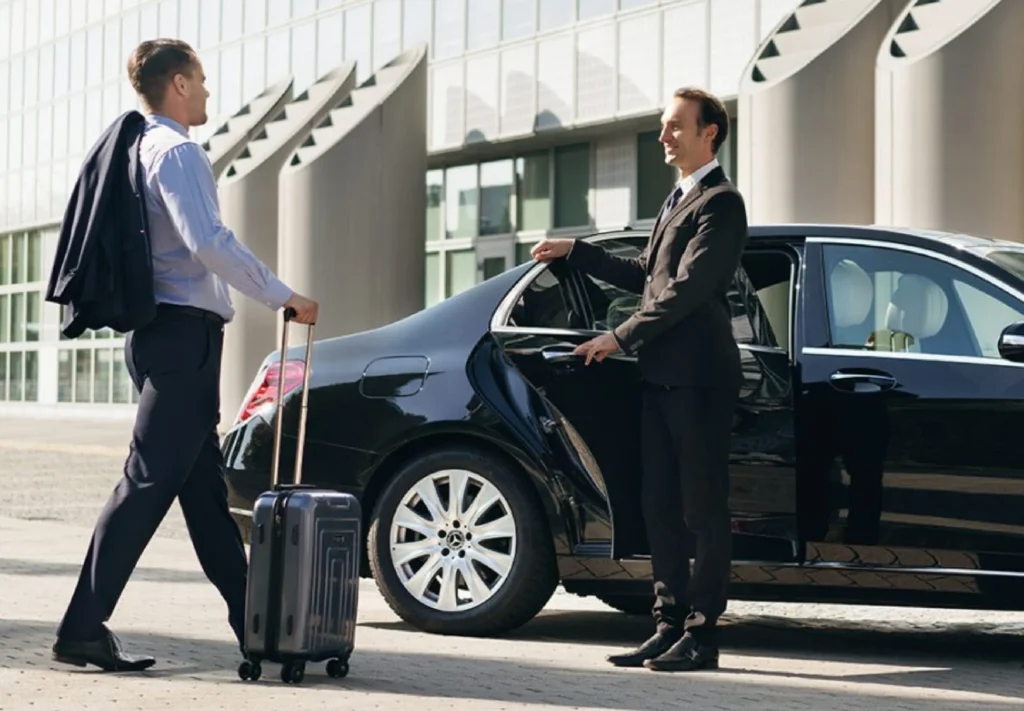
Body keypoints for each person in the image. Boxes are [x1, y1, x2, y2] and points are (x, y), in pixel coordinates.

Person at [51, 38, 319, 672]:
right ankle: (81, 628)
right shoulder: (176, 151)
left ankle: (258, 627)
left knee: (202, 492)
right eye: (200, 80)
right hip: (183, 340)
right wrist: (283, 295)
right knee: (145, 483)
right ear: (176, 83)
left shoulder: (137, 148)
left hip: (163, 339)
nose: (206, 91)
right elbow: (209, 242)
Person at [531, 86, 747, 672]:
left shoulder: (722, 204)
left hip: (700, 380)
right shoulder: (675, 200)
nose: (664, 136)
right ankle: (667, 624)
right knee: (660, 508)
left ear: (710, 133)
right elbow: (647, 277)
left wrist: (619, 337)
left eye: (676, 125)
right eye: (662, 125)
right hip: (660, 380)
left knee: (702, 511)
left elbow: (688, 290)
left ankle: (702, 636)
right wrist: (579, 252)